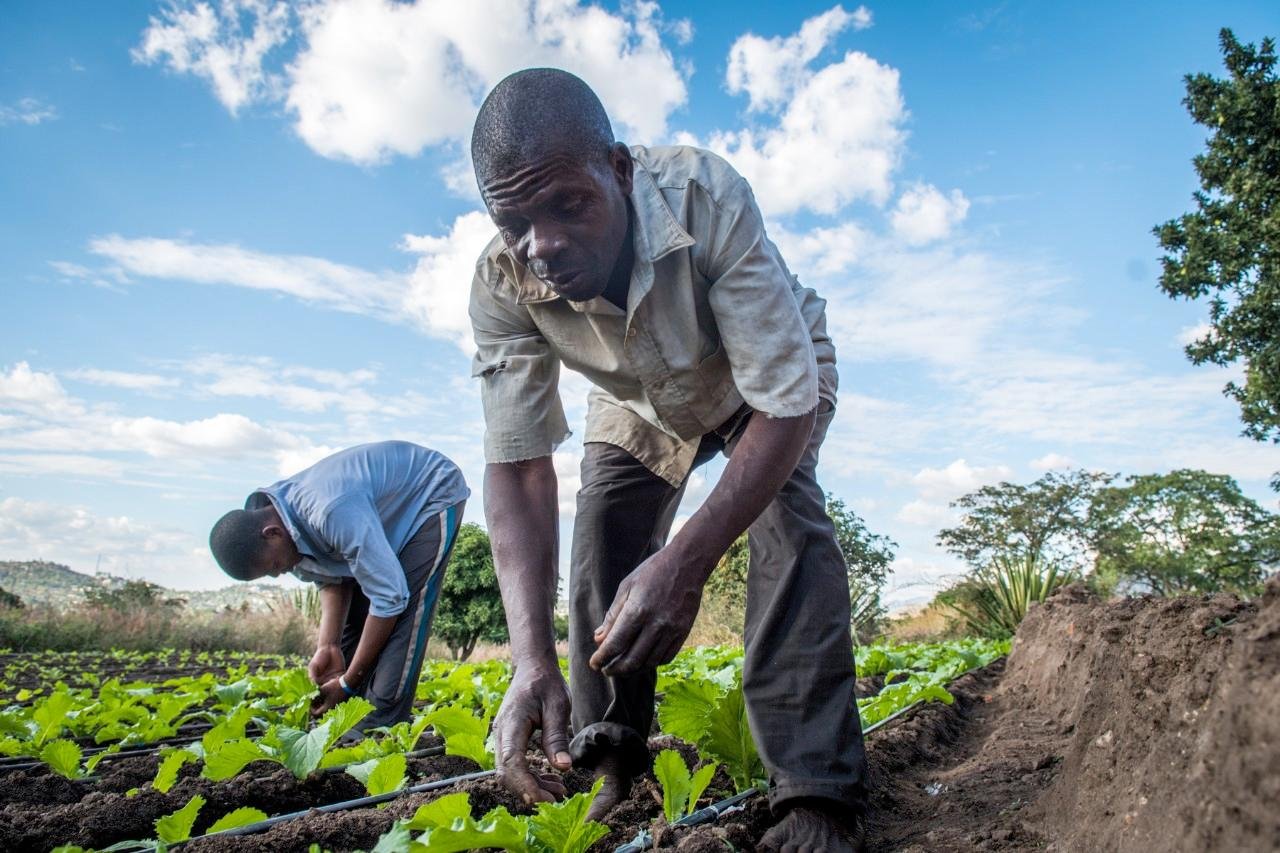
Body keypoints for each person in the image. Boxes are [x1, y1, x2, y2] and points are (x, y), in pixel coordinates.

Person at [468, 68, 868, 851]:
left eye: (569, 205)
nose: (541, 244)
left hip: (765, 376)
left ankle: (817, 792)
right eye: (513, 220)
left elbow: (786, 405)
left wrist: (685, 564)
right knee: (604, 541)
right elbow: (517, 466)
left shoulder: (704, 198)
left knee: (787, 526)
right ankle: (610, 753)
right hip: (637, 394)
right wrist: (527, 658)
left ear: (618, 170)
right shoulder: (501, 280)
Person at [208, 440, 469, 729]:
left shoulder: (330, 510)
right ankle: (346, 711)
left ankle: (381, 721)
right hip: (374, 520)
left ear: (271, 534)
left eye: (273, 568)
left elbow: (390, 598)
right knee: (355, 623)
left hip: (429, 491)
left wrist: (348, 681)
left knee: (405, 607)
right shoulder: (284, 530)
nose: (278, 575)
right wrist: (327, 645)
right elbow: (331, 579)